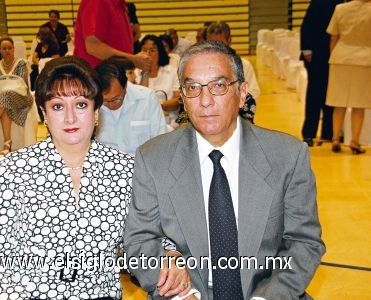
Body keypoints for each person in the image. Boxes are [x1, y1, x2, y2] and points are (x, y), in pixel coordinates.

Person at [124, 41, 325, 300]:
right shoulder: (153, 158)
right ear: (183, 98)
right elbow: (139, 242)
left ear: (242, 93)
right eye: (193, 88)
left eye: (219, 86)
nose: (205, 101)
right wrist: (180, 294)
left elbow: (304, 243)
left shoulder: (287, 155)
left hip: (268, 291)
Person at [0, 56, 135, 299]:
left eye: (80, 104)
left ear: (96, 111)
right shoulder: (13, 169)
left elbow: (149, 240)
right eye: (58, 106)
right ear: (43, 113)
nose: (70, 118)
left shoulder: (124, 170)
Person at [95, 57, 167, 156]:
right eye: (105, 101)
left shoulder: (146, 99)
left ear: (125, 86)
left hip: (140, 165)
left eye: (116, 99)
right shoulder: (92, 102)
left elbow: (160, 142)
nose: (111, 105)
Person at [326, 0, 371, 154]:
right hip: (364, 58)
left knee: (339, 102)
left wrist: (334, 55)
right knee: (359, 103)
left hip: (340, 57)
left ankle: (335, 139)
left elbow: (333, 36)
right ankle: (354, 141)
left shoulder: (340, 8)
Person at [300, 0, 343, 147]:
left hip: (335, 55)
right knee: (315, 94)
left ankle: (329, 132)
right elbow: (307, 26)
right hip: (317, 55)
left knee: (331, 95)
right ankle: (309, 133)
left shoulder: (343, 3)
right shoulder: (320, 1)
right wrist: (306, 50)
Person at [0, 36, 33, 155]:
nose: (7, 51)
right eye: (4, 48)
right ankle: (7, 142)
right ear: (0, 50)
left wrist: (7, 87)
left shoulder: (21, 63)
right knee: (5, 101)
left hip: (22, 97)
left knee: (7, 94)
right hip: (4, 99)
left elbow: (22, 84)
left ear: (14, 49)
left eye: (10, 48)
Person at [73, 0, 151, 70]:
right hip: (96, 79)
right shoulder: (98, 2)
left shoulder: (120, 5)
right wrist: (132, 60)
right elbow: (93, 47)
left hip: (110, 78)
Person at [137, 34, 180, 128]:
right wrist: (145, 72)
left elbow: (178, 100)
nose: (148, 54)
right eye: (144, 50)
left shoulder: (172, 72)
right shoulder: (135, 73)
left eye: (152, 50)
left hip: (170, 121)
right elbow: (138, 101)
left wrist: (159, 105)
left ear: (160, 52)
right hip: (144, 121)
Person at [29, 26, 60, 91]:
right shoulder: (40, 45)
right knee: (32, 75)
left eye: (40, 35)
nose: (39, 37)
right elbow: (34, 57)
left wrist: (44, 65)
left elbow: (55, 60)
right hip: (40, 67)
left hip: (50, 68)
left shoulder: (53, 46)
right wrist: (40, 64)